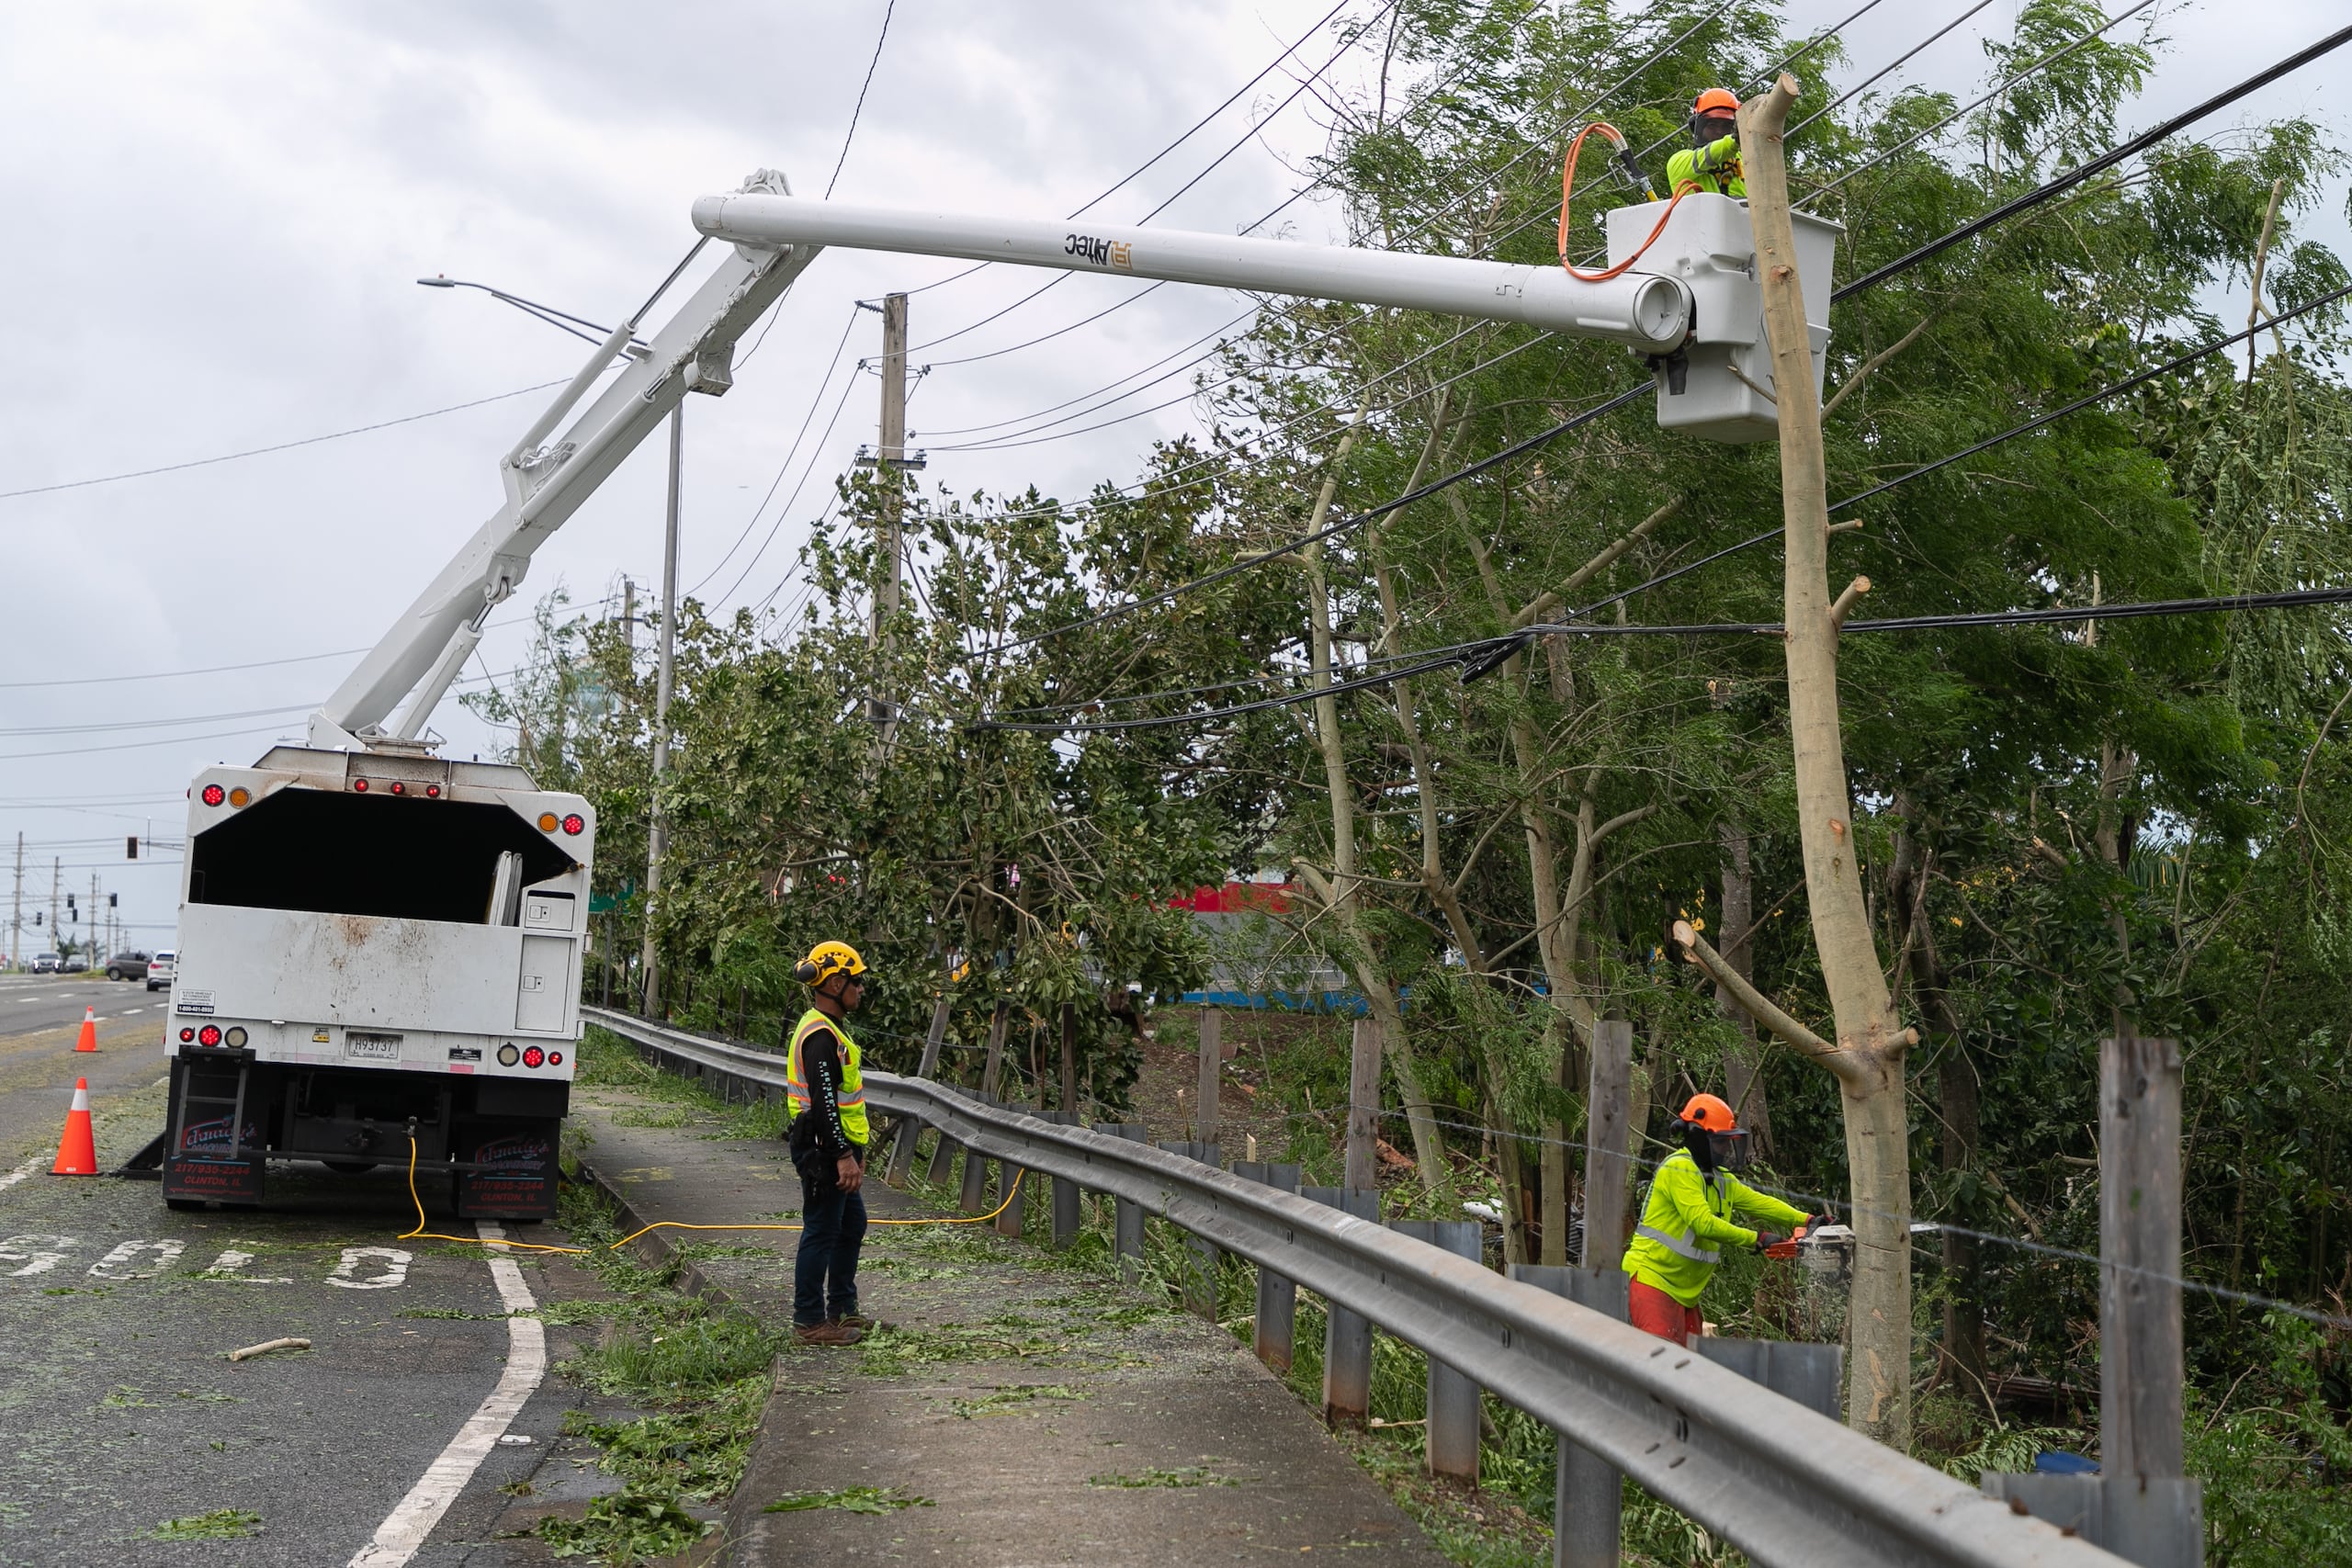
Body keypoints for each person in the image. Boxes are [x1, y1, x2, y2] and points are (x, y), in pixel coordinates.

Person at [1619, 1093, 1824, 1346]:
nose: (1726, 1148)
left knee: (1688, 1367)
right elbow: (1703, 1223)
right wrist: (1756, 1240)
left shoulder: (1721, 1179)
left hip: (1685, 1292)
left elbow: (1760, 1202)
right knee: (1659, 1366)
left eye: (1728, 1142)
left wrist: (1806, 1218)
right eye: (1720, 1142)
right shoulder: (1679, 1169)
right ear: (1697, 1136)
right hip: (1653, 1281)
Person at [785, 940, 874, 1346]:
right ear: (837, 984)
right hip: (823, 1149)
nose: (860, 990)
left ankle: (841, 1310)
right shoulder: (820, 1037)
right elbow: (823, 1105)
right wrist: (843, 1157)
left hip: (834, 1146)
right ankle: (809, 1321)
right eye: (856, 982)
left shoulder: (827, 1029)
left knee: (851, 1223)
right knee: (821, 1230)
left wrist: (853, 1152)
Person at [1666, 87, 1746, 197]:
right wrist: (1734, 140)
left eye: (1726, 126)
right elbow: (1710, 154)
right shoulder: (1678, 162)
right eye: (1712, 125)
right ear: (1698, 127)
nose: (1719, 131)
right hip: (1702, 215)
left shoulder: (1744, 160)